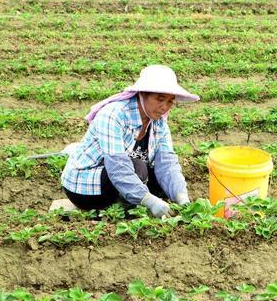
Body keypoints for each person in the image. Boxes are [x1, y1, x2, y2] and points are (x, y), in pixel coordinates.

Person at [61, 65, 199, 218]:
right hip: (85, 187)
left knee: (162, 182)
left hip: (120, 177)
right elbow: (117, 166)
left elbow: (167, 162)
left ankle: (134, 200)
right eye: (160, 99)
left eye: (170, 102)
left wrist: (182, 197)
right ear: (143, 94)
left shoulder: (158, 122)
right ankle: (130, 208)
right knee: (138, 167)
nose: (164, 107)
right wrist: (149, 200)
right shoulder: (114, 114)